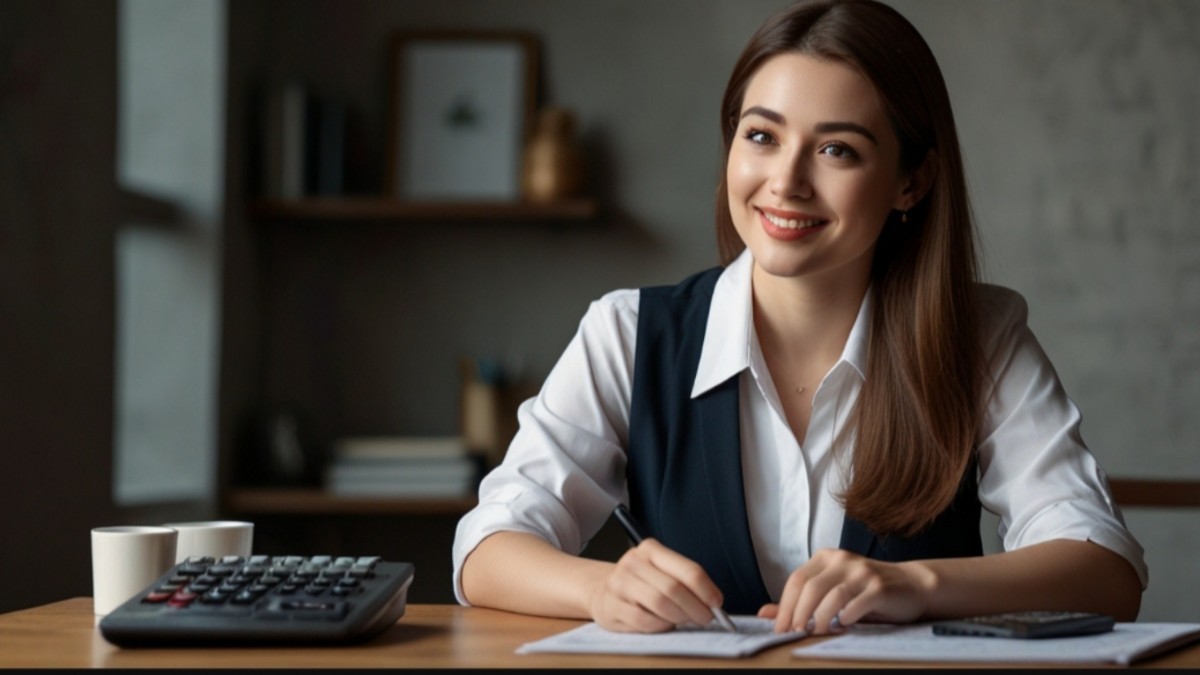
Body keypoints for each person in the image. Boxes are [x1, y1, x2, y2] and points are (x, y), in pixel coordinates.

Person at [452, 0, 1147, 635]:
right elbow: (486, 549)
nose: (785, 181)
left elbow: (1106, 569)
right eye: (761, 136)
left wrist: (915, 582)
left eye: (836, 149)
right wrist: (602, 586)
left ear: (913, 180)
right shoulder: (627, 335)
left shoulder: (977, 339)